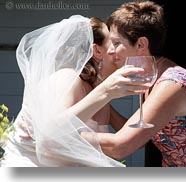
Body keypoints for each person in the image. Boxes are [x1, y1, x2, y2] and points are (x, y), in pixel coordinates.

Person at [81, 1, 186, 167]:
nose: (111, 50)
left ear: (141, 44)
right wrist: (103, 101)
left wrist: (65, 134)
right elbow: (139, 137)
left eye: (116, 43)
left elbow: (121, 146)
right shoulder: (151, 77)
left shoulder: (172, 84)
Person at [0, 15, 147, 167]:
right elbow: (50, 137)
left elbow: (132, 139)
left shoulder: (99, 93)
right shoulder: (68, 78)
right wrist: (106, 91)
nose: (119, 50)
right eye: (114, 43)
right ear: (97, 51)